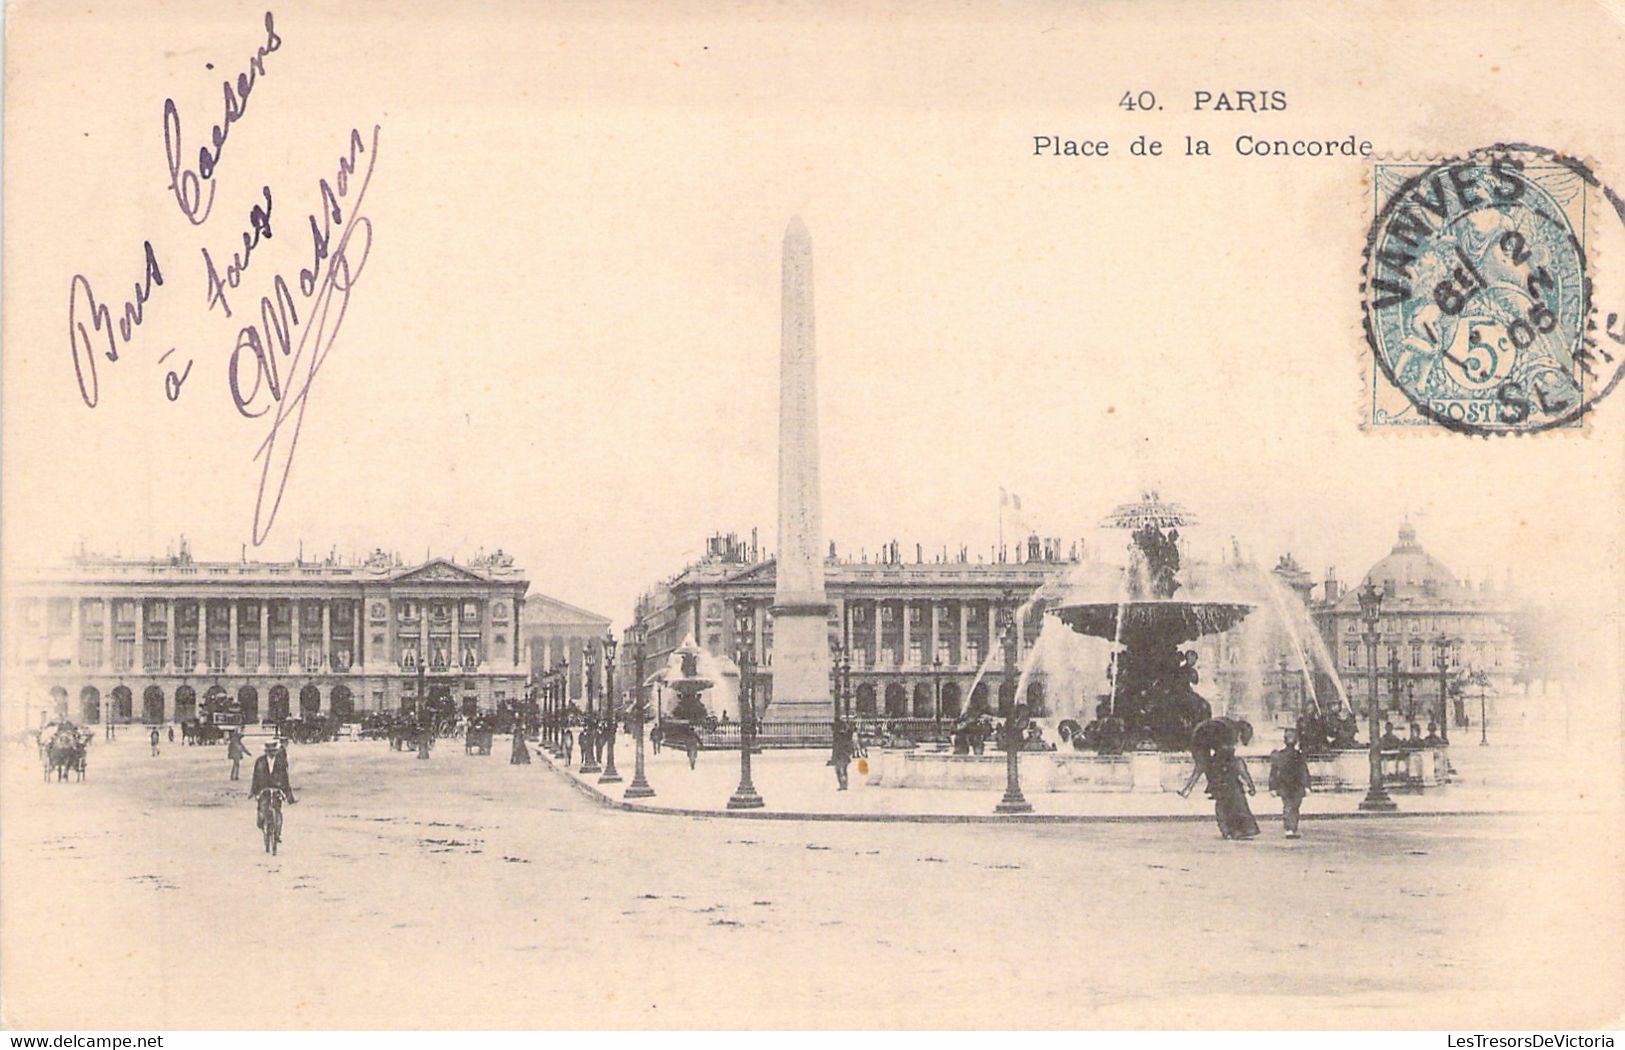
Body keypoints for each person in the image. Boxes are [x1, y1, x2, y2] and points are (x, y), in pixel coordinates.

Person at [1207, 744, 1260, 840]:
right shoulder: (1236, 761)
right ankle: (1237, 831)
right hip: (1234, 788)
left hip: (1222, 789)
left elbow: (1211, 776)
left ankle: (1228, 831)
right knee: (1238, 809)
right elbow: (1244, 774)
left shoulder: (1214, 762)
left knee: (1223, 810)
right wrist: (1251, 786)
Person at [1268, 728, 1312, 839]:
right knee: (1294, 807)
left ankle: (1290, 828)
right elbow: (1304, 772)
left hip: (1285, 785)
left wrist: (1272, 787)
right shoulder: (1299, 755)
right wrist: (1307, 786)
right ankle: (1291, 828)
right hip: (1296, 786)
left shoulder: (1279, 755)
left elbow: (1273, 773)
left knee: (1289, 806)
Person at [829, 720, 855, 790]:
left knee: (840, 769)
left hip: (841, 754)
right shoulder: (845, 735)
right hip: (844, 754)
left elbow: (836, 747)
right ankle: (844, 784)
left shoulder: (839, 736)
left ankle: (843, 785)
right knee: (842, 769)